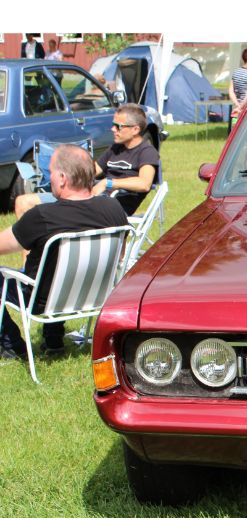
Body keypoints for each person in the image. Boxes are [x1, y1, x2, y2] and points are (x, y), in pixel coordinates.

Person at [0, 145, 128, 360]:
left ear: (62, 178)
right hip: (94, 294)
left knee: (45, 277)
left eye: (50, 172)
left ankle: (11, 345)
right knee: (55, 274)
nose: (49, 178)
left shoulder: (42, 216)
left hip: (43, 301)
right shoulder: (114, 209)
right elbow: (120, 256)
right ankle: (53, 341)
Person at [15, 104, 160, 219]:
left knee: (59, 213)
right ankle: (34, 249)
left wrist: (108, 183)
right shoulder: (115, 148)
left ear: (135, 129)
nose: (112, 129)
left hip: (109, 207)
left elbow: (144, 184)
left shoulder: (147, 152)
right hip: (88, 197)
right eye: (113, 124)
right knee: (23, 202)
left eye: (118, 126)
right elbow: (93, 171)